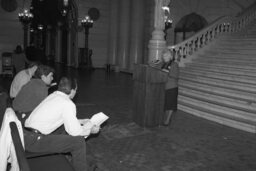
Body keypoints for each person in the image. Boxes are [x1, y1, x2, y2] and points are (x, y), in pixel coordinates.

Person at [24, 77, 100, 171]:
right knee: (78, 142)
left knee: (65, 131)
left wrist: (82, 121)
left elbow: (61, 119)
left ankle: (89, 165)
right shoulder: (68, 103)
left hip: (26, 135)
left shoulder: (54, 95)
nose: (76, 93)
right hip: (34, 142)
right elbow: (75, 132)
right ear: (72, 90)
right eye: (76, 90)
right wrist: (90, 130)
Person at [161, 49, 179, 126]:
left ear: (170, 56)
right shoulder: (163, 64)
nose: (163, 57)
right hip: (164, 87)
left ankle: (167, 121)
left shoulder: (174, 64)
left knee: (170, 105)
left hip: (172, 87)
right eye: (163, 55)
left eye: (165, 55)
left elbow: (175, 76)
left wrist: (167, 72)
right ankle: (166, 119)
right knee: (166, 104)